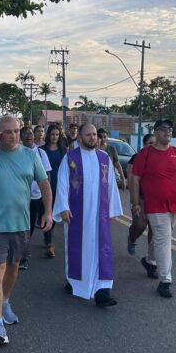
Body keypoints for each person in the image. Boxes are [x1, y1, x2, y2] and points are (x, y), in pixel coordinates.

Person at [0, 115, 53, 346]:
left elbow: (44, 184)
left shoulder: (30, 155)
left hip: (21, 225)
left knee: (13, 269)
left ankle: (5, 301)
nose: (15, 135)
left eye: (17, 130)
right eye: (8, 132)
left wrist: (48, 212)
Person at [54, 123, 122, 307]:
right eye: (88, 135)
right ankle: (74, 281)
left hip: (99, 214)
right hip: (78, 214)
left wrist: (113, 210)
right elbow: (62, 185)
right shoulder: (70, 158)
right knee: (78, 248)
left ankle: (103, 290)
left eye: (94, 134)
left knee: (102, 249)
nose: (93, 138)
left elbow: (111, 186)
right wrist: (63, 206)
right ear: (79, 137)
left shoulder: (104, 158)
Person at [130, 119, 176, 298]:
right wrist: (136, 203)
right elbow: (135, 179)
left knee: (162, 238)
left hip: (174, 206)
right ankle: (165, 280)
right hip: (154, 206)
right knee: (164, 240)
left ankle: (149, 260)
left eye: (170, 129)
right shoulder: (145, 154)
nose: (167, 132)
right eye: (163, 129)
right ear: (155, 133)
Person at [19, 126, 52, 270]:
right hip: (19, 196)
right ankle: (20, 253)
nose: (29, 136)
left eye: (31, 133)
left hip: (36, 196)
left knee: (30, 225)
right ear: (20, 137)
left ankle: (23, 251)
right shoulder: (16, 152)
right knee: (20, 224)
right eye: (25, 133)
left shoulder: (41, 152)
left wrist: (47, 198)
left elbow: (47, 176)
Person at [126, 133, 156, 257]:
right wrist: (135, 202)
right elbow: (131, 180)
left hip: (155, 198)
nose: (152, 147)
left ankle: (151, 258)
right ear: (144, 145)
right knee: (140, 225)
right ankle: (131, 239)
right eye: (150, 144)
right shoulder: (135, 158)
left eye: (155, 144)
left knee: (154, 228)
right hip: (140, 197)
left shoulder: (159, 158)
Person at [41, 124, 66, 258]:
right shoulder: (41, 150)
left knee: (53, 213)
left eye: (57, 134)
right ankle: (48, 241)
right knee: (45, 212)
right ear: (48, 135)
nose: (55, 137)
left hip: (58, 186)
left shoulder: (63, 150)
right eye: (52, 134)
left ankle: (48, 239)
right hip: (43, 187)